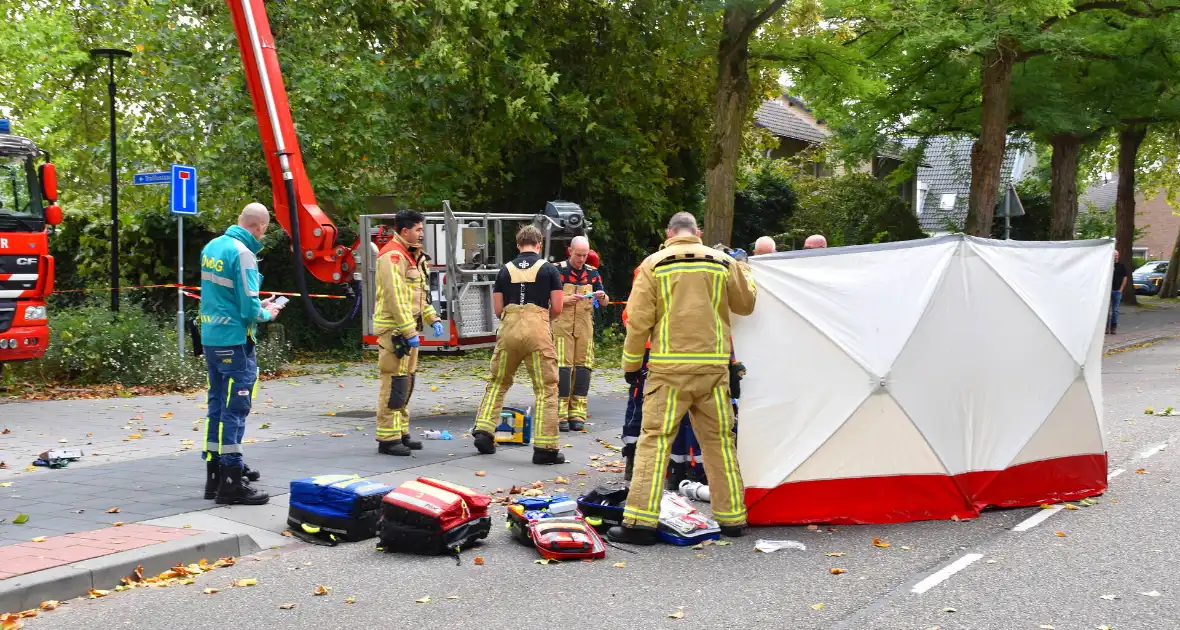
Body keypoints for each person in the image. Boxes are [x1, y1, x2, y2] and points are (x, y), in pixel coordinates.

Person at [608, 212, 756, 545]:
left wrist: (631, 365)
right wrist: (744, 269)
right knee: (719, 443)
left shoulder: (654, 264)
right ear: (698, 233)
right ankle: (732, 518)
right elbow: (745, 306)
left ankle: (640, 525)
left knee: (654, 442)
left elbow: (637, 321)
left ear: (669, 233)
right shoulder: (721, 262)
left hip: (667, 371)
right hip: (713, 371)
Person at [199, 203, 282, 506]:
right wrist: (268, 311)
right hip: (235, 341)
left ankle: (214, 475)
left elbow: (222, 296)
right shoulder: (244, 254)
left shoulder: (212, 246)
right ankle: (231, 482)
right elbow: (249, 308)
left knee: (217, 405)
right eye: (265, 229)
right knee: (236, 408)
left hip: (211, 337)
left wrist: (256, 303)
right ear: (260, 227)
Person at [471, 225, 567, 465]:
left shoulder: (505, 270)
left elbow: (497, 308)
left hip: (509, 329)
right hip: (537, 331)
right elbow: (557, 307)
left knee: (498, 382)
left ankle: (484, 431)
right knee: (546, 388)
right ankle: (545, 448)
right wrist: (541, 320)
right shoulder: (549, 269)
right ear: (539, 245)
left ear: (518, 245)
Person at [373, 210, 445, 456]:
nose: (421, 234)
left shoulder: (412, 256)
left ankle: (401, 431)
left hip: (408, 328)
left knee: (406, 382)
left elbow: (419, 294)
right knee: (394, 382)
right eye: (418, 230)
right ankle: (387, 437)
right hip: (394, 330)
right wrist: (406, 329)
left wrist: (432, 317)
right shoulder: (392, 257)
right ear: (405, 231)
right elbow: (395, 298)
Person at [552, 236, 608, 432]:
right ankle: (560, 414)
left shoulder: (593, 273)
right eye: (578, 255)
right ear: (570, 251)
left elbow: (605, 302)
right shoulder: (556, 270)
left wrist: (602, 297)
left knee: (583, 368)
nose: (581, 259)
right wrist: (567, 299)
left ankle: (578, 413)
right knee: (563, 368)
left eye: (585, 255)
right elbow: (548, 300)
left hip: (584, 326)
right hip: (562, 326)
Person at [1109, 249, 1128, 334]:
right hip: (1108, 291)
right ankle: (1105, 327)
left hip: (1117, 291)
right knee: (1106, 310)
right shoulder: (1108, 266)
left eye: (1117, 255)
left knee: (1115, 310)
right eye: (1114, 255)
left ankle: (1113, 327)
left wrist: (1121, 289)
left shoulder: (1121, 266)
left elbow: (1125, 278)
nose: (1116, 257)